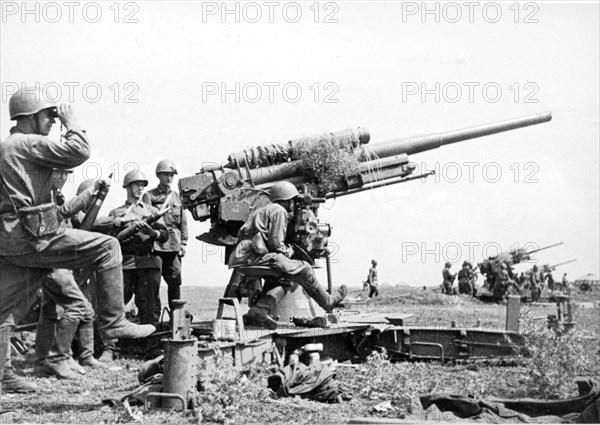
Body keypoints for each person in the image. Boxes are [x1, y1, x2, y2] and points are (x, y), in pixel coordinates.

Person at [0, 86, 155, 385]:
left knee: (5, 309)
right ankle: (114, 322)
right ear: (30, 116)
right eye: (48, 115)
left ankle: (4, 375)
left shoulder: (8, 146)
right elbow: (79, 151)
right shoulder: (25, 143)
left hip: (11, 238)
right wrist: (72, 121)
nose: (52, 121)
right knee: (109, 247)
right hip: (33, 236)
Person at [228, 181, 348, 329]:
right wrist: (289, 252)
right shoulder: (279, 211)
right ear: (286, 200)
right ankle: (328, 302)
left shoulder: (263, 210)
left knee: (285, 279)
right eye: (293, 200)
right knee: (304, 268)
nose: (294, 205)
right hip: (252, 256)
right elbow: (276, 244)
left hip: (242, 257)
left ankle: (259, 311)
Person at [109, 170, 168, 330]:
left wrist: (152, 232)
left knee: (148, 306)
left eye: (143, 185)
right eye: (137, 185)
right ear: (127, 186)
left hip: (147, 263)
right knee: (118, 303)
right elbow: (112, 239)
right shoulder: (116, 213)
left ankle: (148, 343)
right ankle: (113, 343)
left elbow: (164, 235)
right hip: (126, 263)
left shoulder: (151, 211)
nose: (140, 188)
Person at [142, 159, 188, 316]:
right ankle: (154, 316)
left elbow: (183, 221)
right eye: (166, 175)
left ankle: (176, 317)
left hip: (173, 245)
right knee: (154, 284)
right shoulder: (149, 196)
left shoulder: (177, 197)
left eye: (171, 175)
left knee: (175, 281)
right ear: (158, 176)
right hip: (156, 244)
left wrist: (183, 243)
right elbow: (146, 219)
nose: (169, 178)